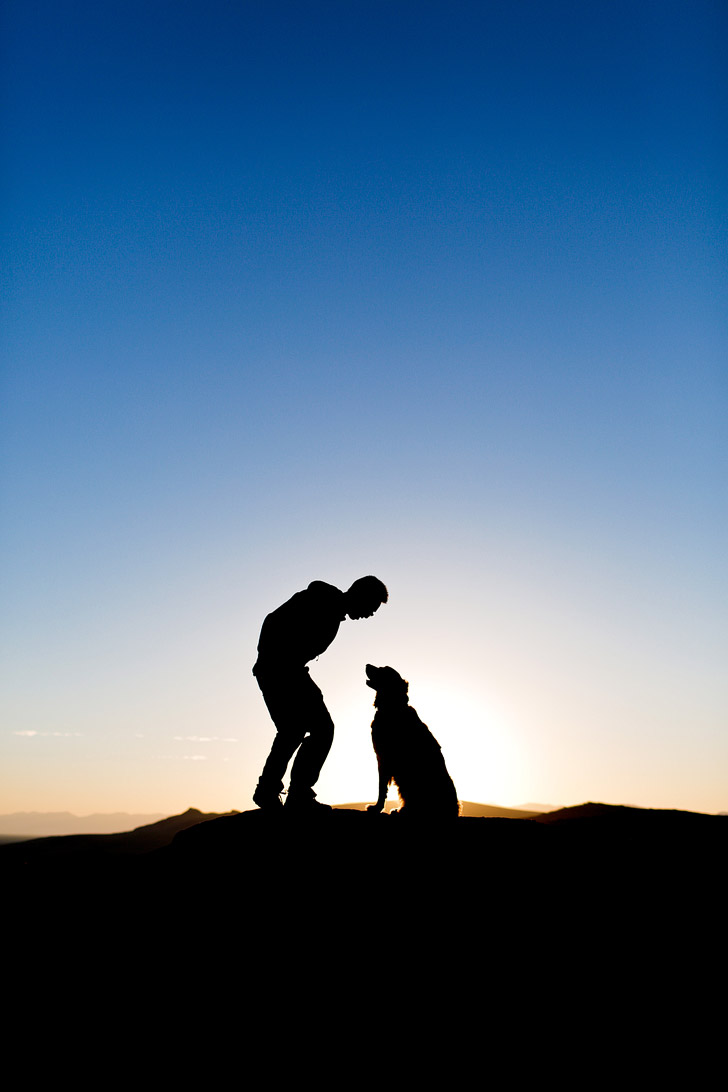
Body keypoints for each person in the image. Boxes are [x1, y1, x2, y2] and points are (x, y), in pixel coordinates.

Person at [252, 576, 388, 812]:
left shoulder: (332, 610)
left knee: (294, 730)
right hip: (280, 671)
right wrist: (278, 659)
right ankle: (293, 794)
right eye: (371, 607)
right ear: (362, 596)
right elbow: (272, 621)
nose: (371, 615)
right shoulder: (321, 601)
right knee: (318, 729)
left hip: (284, 671)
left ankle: (274, 791)